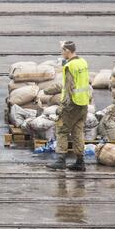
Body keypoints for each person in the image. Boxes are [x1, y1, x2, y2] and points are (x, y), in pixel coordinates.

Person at [47, 41, 91, 172]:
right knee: (78, 132)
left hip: (71, 104)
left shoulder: (69, 66)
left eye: (62, 51)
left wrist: (62, 107)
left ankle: (60, 160)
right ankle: (80, 161)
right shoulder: (83, 62)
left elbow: (68, 88)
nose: (61, 53)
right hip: (83, 103)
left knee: (61, 130)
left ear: (67, 51)